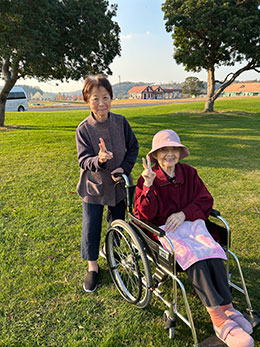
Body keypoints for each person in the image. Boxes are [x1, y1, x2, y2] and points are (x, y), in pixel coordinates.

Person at [134, 129, 254, 347]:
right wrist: (149, 186)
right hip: (165, 231)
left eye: (174, 149)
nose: (169, 154)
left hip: (192, 225)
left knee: (212, 248)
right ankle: (218, 319)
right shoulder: (149, 177)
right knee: (193, 256)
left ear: (180, 153)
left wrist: (184, 214)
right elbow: (143, 215)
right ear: (156, 155)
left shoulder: (189, 173)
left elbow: (206, 200)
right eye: (164, 150)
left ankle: (228, 307)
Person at [76, 74, 139, 293]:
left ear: (111, 98)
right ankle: (93, 267)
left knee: (118, 222)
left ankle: (112, 250)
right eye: (95, 98)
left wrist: (125, 168)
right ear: (87, 101)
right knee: (91, 227)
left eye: (105, 97)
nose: (101, 103)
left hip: (118, 186)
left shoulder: (121, 122)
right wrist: (99, 160)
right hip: (93, 187)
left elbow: (133, 148)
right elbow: (83, 160)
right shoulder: (83, 129)